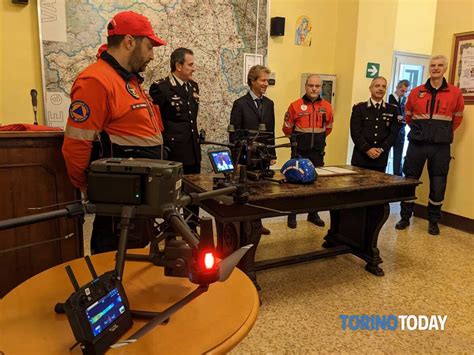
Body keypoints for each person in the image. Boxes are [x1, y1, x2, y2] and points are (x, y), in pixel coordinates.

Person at [62, 11, 166, 254]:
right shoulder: (96, 81)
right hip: (120, 203)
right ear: (130, 42)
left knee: (138, 260)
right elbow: (76, 144)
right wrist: (89, 188)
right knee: (114, 262)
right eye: (149, 46)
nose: (152, 55)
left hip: (141, 197)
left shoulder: (129, 81)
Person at [395, 55, 464, 236]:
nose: (436, 68)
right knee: (409, 180)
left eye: (440, 65)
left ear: (445, 68)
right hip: (417, 144)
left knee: (438, 183)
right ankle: (404, 217)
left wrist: (441, 133)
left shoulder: (455, 93)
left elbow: (457, 119)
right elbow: (408, 115)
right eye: (433, 65)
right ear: (429, 68)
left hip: (440, 147)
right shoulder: (417, 91)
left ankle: (433, 221)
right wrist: (421, 131)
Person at [149, 48, 200, 228]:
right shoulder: (160, 88)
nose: (194, 68)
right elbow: (154, 120)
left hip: (193, 149)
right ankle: (171, 229)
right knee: (172, 196)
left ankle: (192, 228)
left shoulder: (193, 86)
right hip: (174, 152)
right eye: (190, 64)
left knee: (193, 194)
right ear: (178, 66)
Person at [282, 74, 334, 228]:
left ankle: (313, 213)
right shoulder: (295, 105)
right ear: (305, 86)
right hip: (299, 151)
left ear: (321, 88)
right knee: (295, 183)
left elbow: (329, 128)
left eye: (317, 86)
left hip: (317, 151)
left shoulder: (327, 107)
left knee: (316, 184)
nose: (314, 88)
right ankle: (292, 215)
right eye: (311, 85)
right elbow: (286, 128)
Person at [230, 65, 276, 235]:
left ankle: (257, 223)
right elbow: (233, 136)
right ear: (252, 81)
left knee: (261, 192)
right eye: (263, 80)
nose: (266, 84)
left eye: (267, 80)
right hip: (245, 157)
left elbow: (271, 131)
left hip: (263, 156)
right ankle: (243, 224)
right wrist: (238, 160)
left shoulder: (269, 104)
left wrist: (272, 154)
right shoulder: (240, 104)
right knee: (246, 191)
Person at [350, 76, 400, 173]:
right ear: (370, 88)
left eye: (383, 86)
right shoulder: (359, 108)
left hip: (380, 159)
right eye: (377, 86)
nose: (380, 89)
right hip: (361, 158)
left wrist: (381, 149)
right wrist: (367, 149)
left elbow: (394, 133)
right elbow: (355, 132)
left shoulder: (392, 110)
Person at [389, 79, 410, 176]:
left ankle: (397, 178)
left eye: (406, 91)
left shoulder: (404, 101)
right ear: (397, 88)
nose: (404, 93)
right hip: (389, 132)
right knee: (384, 156)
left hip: (400, 132)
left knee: (398, 157)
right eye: (402, 91)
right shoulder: (389, 99)